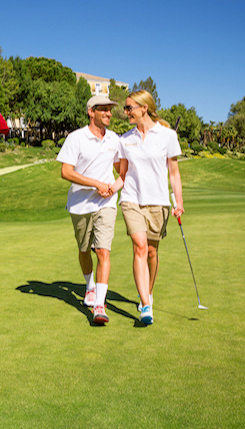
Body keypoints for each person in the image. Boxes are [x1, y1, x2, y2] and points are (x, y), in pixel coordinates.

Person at [118, 90, 184, 325]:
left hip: (159, 202)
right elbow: (123, 173)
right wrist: (109, 187)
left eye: (129, 108)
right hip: (131, 199)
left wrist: (179, 203)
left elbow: (174, 174)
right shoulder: (125, 139)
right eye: (126, 109)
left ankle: (149, 291)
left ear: (143, 108)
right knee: (140, 247)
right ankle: (145, 306)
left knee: (152, 252)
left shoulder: (167, 136)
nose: (126, 113)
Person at [56, 95, 124, 324]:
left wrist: (113, 187)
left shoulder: (114, 139)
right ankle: (89, 286)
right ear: (91, 112)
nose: (108, 114)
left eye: (109, 110)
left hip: (106, 204)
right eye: (103, 110)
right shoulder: (76, 138)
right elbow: (66, 172)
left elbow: (120, 169)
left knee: (103, 251)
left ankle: (99, 306)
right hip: (80, 204)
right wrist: (96, 183)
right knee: (84, 249)